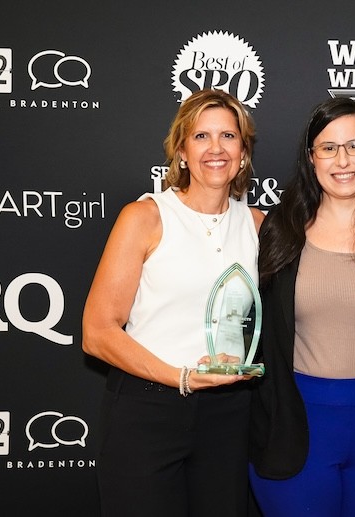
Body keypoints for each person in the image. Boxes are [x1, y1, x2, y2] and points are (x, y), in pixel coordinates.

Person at [81, 88, 264, 517]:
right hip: (147, 410)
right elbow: (97, 332)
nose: (215, 149)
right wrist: (181, 377)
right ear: (181, 151)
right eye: (201, 137)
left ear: (243, 152)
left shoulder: (258, 225)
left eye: (228, 136)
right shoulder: (145, 217)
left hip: (228, 414)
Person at [248, 97, 355, 517]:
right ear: (311, 157)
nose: (343, 160)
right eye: (328, 147)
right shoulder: (278, 228)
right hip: (296, 427)